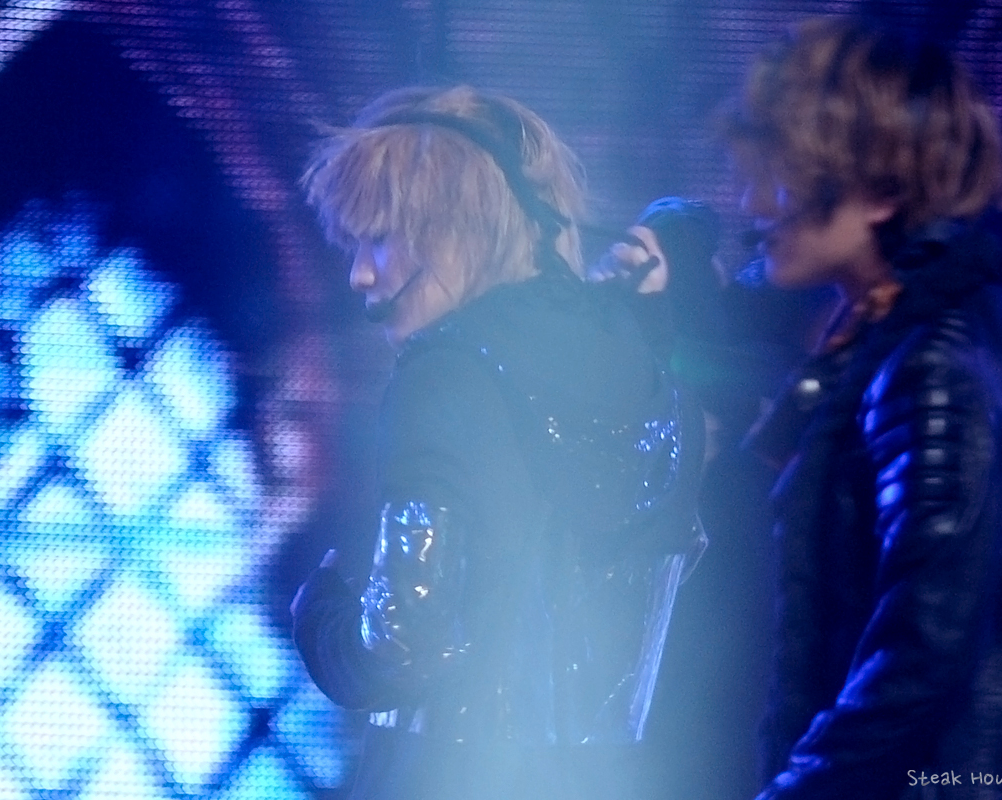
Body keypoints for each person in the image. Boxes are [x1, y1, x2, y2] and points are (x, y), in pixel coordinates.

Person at [290, 85, 703, 799]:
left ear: (457, 227)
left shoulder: (447, 371)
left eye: (379, 237)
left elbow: (402, 641)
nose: (360, 272)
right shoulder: (649, 374)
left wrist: (320, 621)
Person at [724, 16, 1002, 799]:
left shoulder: (935, 362)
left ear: (881, 191)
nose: (752, 202)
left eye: (780, 174)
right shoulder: (895, 334)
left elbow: (921, 654)